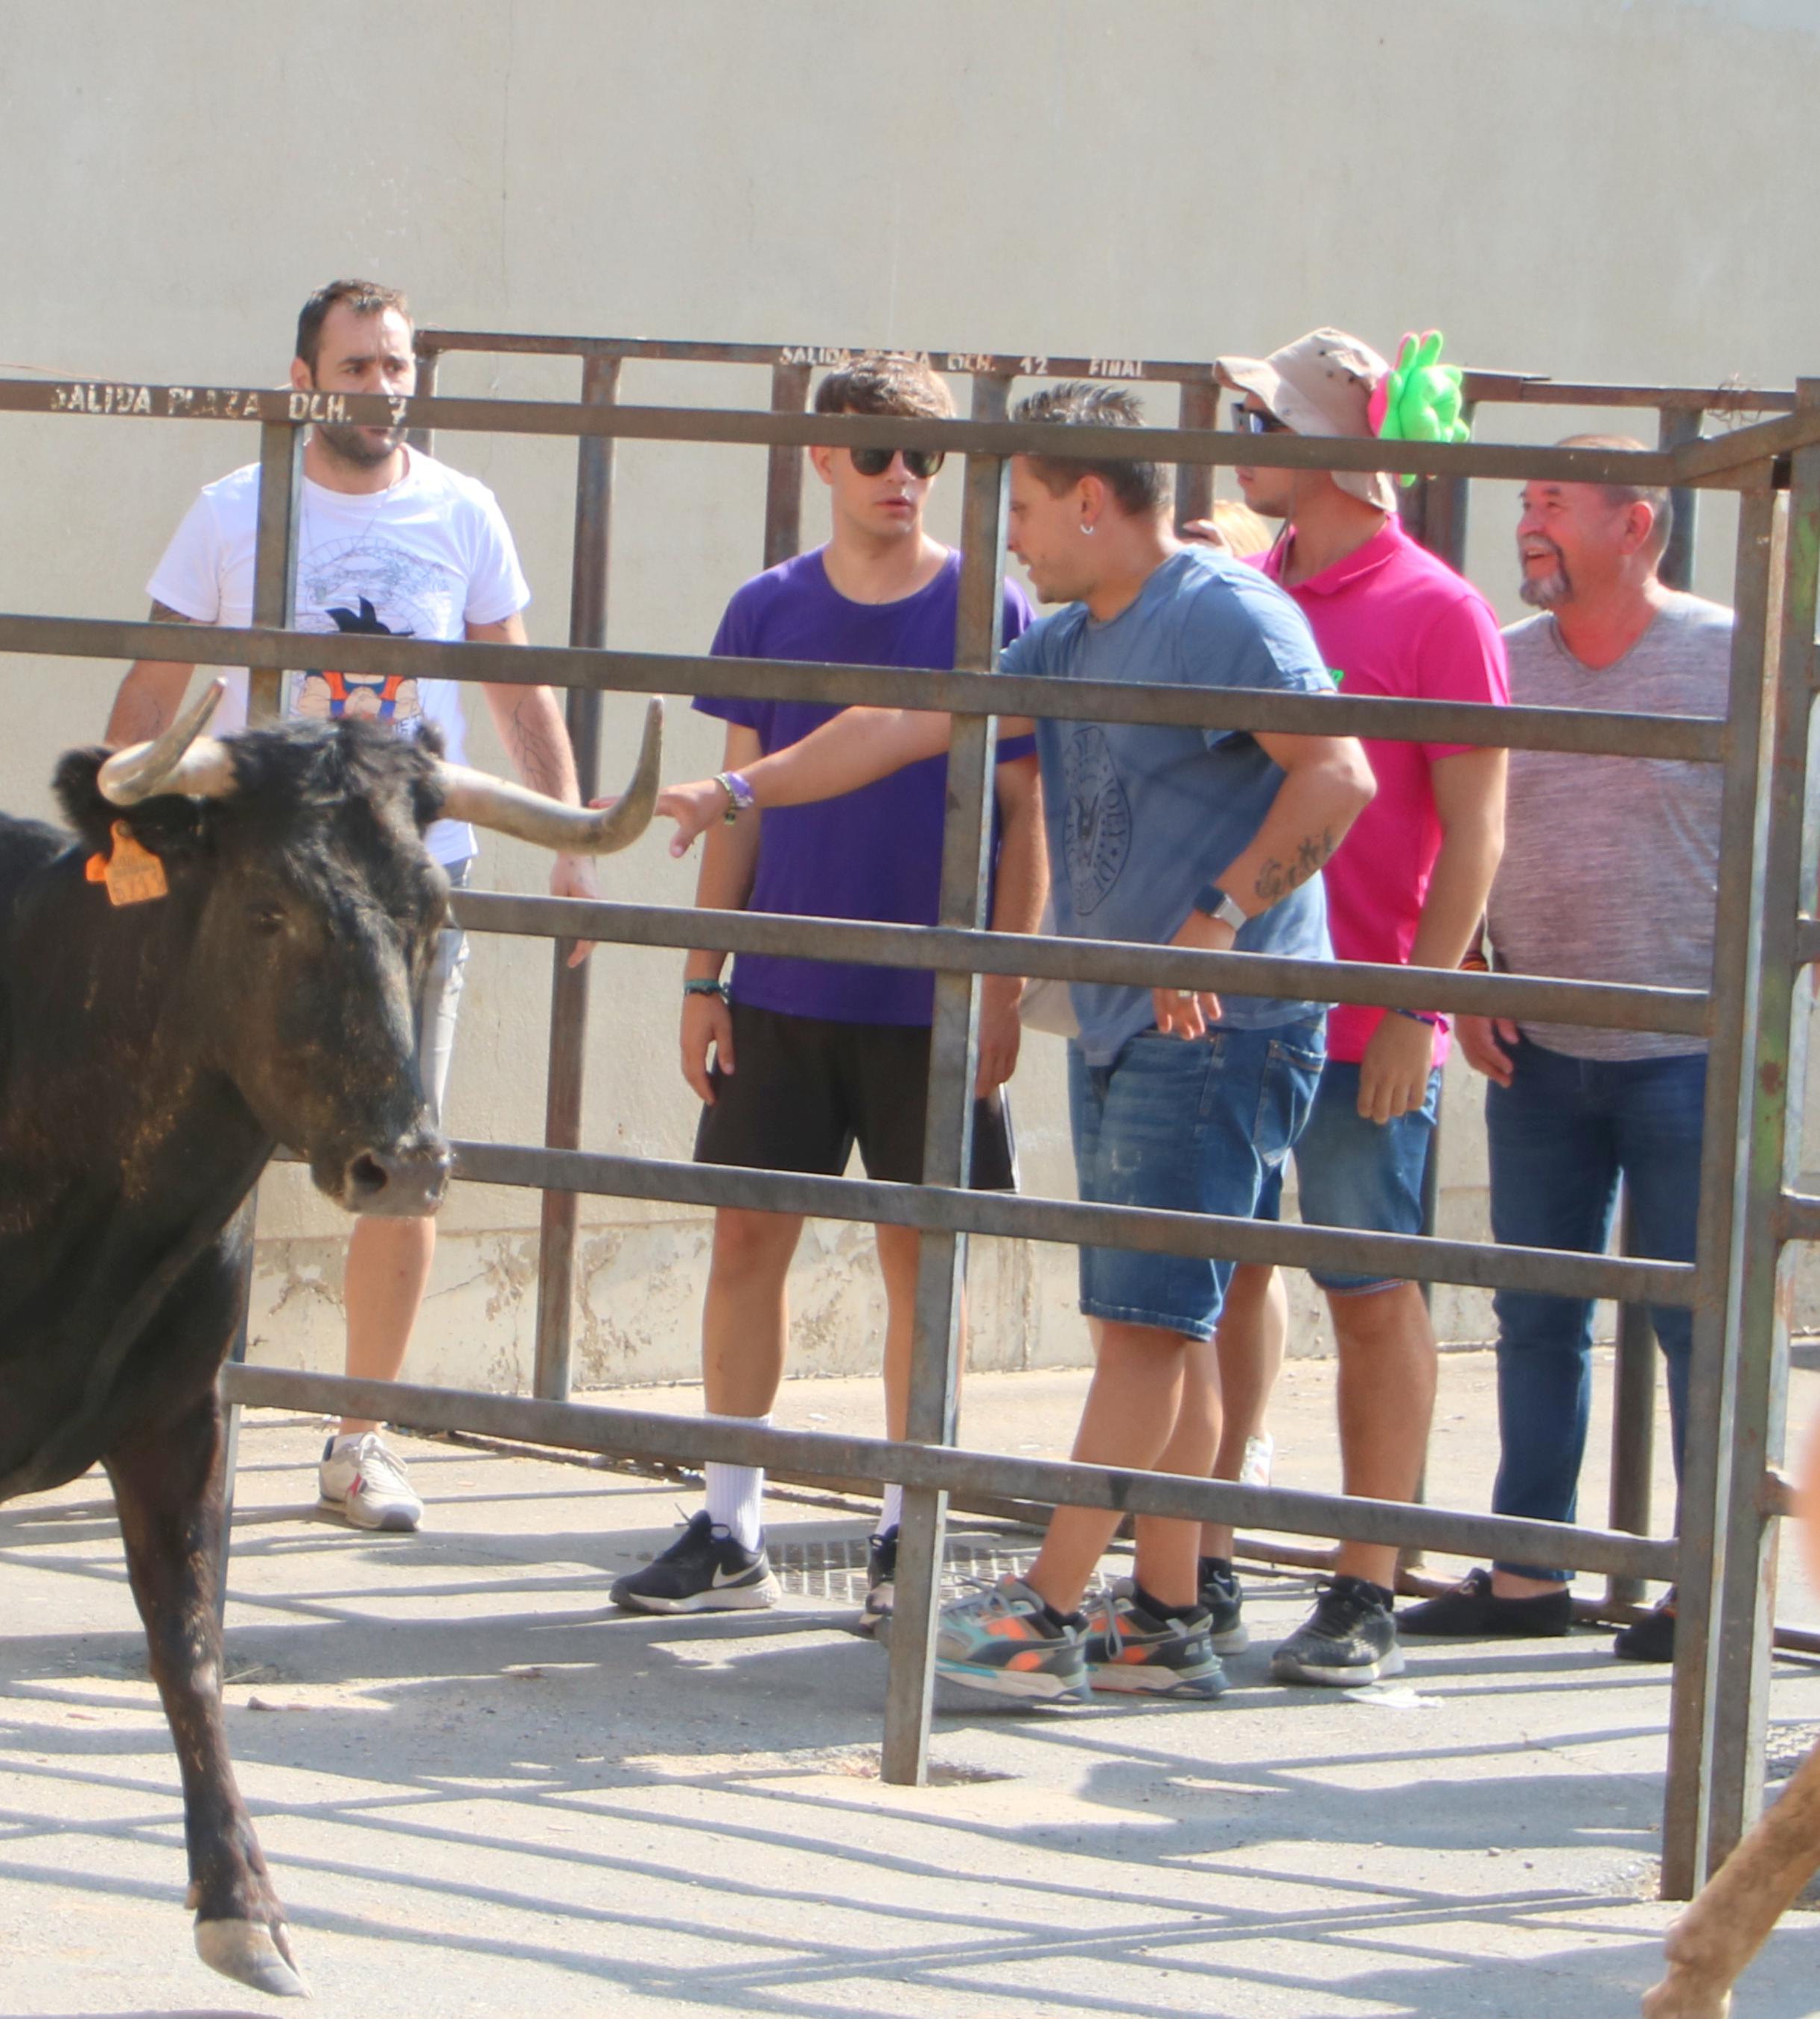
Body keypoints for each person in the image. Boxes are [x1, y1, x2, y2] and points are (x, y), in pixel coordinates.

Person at [654, 384, 1373, 1702]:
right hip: (1127, 1018)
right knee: (1174, 1330)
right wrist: (737, 786)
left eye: (1027, 510)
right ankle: (1163, 1619)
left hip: (1219, 1019)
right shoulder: (1065, 637)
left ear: (1090, 502)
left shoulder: (1220, 615)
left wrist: (1212, 926)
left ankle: (1046, 1609)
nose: (1015, 541)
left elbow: (1341, 774)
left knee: (1147, 1332)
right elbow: (896, 724)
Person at [103, 279, 594, 1533]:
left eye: (398, 365)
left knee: (401, 1156)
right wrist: (124, 838)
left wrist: (573, 843)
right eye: (360, 366)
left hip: (410, 889)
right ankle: (165, 1422)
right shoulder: (233, 509)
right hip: (255, 888)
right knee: (198, 1152)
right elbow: (155, 683)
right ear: (304, 376)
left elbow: (518, 685)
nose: (384, 387)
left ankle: (359, 1444)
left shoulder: (462, 510)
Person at [605, 355, 1046, 1624]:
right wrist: (704, 979)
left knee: (923, 1262)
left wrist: (1003, 984)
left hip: (932, 1000)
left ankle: (913, 1522)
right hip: (785, 994)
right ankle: (731, 1517)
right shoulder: (765, 607)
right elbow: (731, 805)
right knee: (746, 1241)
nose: (904, 479)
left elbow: (1027, 814)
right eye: (878, 455)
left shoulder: (990, 606)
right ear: (822, 459)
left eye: (927, 458)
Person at [1193, 331, 1509, 1688]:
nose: (1237, 431)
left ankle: (1367, 1581)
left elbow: (1478, 826)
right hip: (1242, 1002)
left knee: (1372, 1291)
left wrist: (1413, 1015)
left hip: (1362, 1015)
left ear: (1326, 444)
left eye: (1258, 412)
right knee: (1225, 1282)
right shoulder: (1252, 587)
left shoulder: (1439, 607)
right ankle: (1196, 1558)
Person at [1398, 439, 1723, 1662]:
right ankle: (1531, 1573)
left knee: (1698, 1324)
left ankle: (1705, 1586)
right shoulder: (1504, 664)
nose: (1526, 525)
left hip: (1687, 1051)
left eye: (1551, 505)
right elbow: (1454, 830)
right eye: (1524, 503)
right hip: (1535, 1045)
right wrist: (1470, 969)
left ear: (1634, 523)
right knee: (1536, 1313)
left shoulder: (1727, 653)